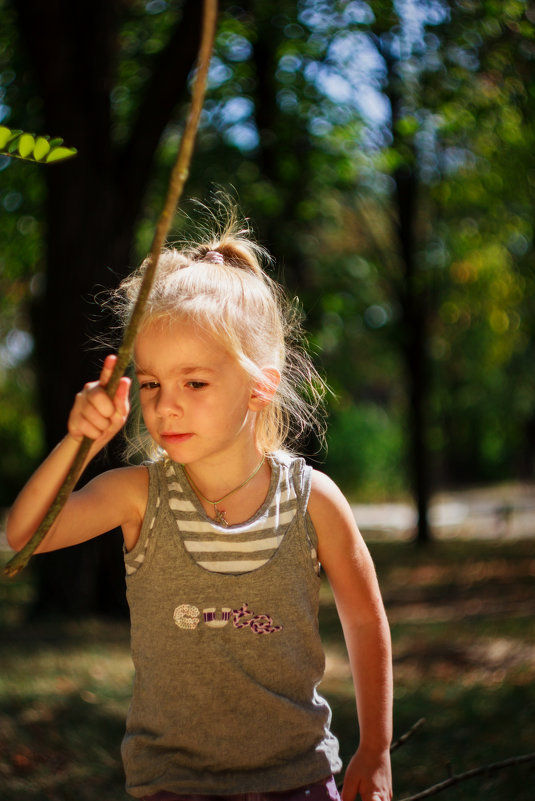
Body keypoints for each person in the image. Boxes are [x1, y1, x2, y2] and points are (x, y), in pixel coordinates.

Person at [7, 211, 393, 801]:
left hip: (299, 780)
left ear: (260, 387)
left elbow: (365, 621)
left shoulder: (312, 499)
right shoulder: (138, 495)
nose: (166, 406)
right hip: (172, 785)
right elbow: (22, 534)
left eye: (195, 383)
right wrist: (79, 443)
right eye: (153, 383)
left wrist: (376, 748)